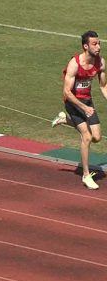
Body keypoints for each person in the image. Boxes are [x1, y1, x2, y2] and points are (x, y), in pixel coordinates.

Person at [52, 30, 107, 190]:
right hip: (73, 103)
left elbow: (103, 86)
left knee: (97, 137)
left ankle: (65, 120)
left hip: (87, 102)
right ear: (85, 46)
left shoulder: (101, 63)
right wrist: (84, 107)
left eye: (99, 43)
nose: (98, 47)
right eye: (94, 44)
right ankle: (86, 175)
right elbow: (67, 92)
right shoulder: (75, 64)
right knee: (87, 137)